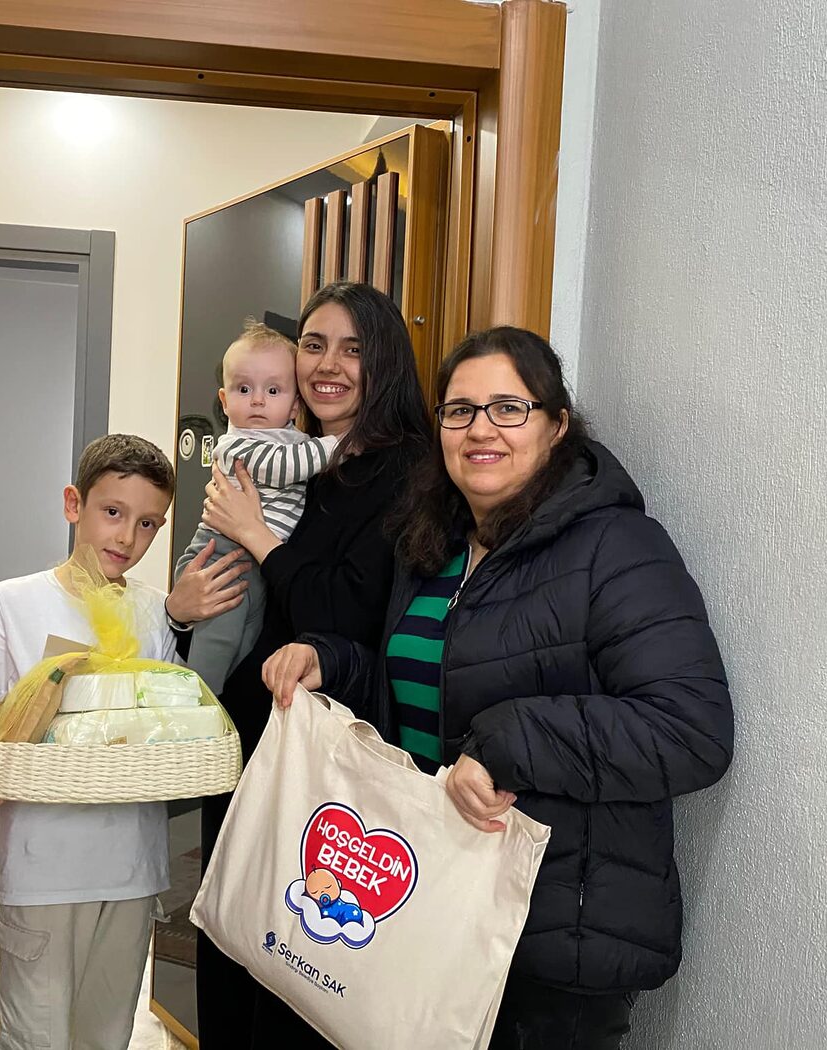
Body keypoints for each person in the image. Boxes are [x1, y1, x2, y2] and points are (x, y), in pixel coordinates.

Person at [262, 327, 734, 1050]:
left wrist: (508, 744)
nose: (481, 429)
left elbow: (691, 730)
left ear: (557, 425)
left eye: (508, 408)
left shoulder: (617, 548)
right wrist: (331, 661)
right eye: (459, 410)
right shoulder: (433, 545)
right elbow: (425, 692)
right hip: (427, 906)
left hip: (550, 938)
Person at [165, 281, 433, 1049]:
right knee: (229, 932)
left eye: (353, 348)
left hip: (330, 761)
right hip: (250, 738)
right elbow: (231, 596)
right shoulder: (296, 459)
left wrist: (258, 535)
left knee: (302, 965)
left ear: (385, 360)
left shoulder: (404, 470)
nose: (329, 365)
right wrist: (181, 607)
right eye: (314, 344)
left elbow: (345, 614)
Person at [0, 434, 180, 1050]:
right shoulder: (14, 601)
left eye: (147, 523)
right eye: (113, 512)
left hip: (133, 867)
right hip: (43, 868)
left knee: (105, 1036)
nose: (127, 537)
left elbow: (162, 728)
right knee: (37, 1035)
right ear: (73, 504)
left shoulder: (157, 612)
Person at [174, 319, 340, 692]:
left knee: (246, 644)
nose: (258, 400)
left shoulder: (290, 437)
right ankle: (197, 701)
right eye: (243, 389)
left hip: (255, 564)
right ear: (224, 401)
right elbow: (286, 468)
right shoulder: (237, 445)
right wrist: (338, 444)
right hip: (223, 555)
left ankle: (217, 696)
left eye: (274, 390)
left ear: (296, 404)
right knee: (220, 637)